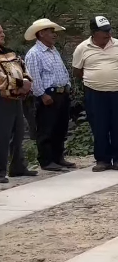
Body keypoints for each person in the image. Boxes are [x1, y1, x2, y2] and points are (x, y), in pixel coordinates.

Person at [72, 16, 118, 173]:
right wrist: (95, 79)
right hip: (94, 93)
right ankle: (102, 159)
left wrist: (112, 77)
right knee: (99, 126)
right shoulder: (82, 48)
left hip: (117, 91)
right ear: (94, 32)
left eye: (109, 30)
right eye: (104, 31)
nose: (108, 34)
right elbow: (77, 71)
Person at [24, 19, 75, 172]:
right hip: (48, 95)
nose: (54, 35)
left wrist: (68, 86)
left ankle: (58, 157)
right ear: (41, 33)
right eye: (51, 31)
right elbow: (33, 77)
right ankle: (46, 160)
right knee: (46, 128)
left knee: (61, 127)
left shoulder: (53, 50)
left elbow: (61, 70)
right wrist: (42, 95)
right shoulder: (34, 54)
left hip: (61, 93)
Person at [0, 24, 36, 183]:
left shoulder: (10, 52)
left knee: (19, 132)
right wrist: (20, 84)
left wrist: (27, 82)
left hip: (16, 99)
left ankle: (17, 166)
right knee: (3, 135)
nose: (3, 34)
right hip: (2, 99)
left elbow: (23, 68)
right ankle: (0, 171)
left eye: (2, 31)